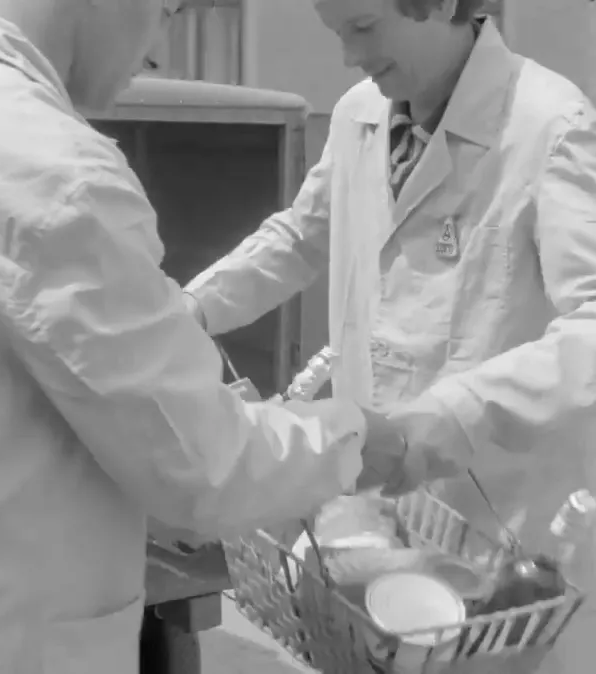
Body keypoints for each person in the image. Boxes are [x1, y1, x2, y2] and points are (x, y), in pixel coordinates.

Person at [0, 1, 403, 673]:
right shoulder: (48, 164)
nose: (156, 46)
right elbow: (204, 469)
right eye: (166, 10)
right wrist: (358, 439)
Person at [184, 0, 596, 670]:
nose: (349, 56)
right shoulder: (360, 115)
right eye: (337, 33)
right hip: (373, 523)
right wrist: (193, 310)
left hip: (495, 529)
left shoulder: (551, 125)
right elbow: (300, 236)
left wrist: (451, 415)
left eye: (364, 28)